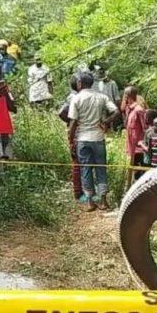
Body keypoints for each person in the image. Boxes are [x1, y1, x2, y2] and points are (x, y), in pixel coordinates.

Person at [67, 72, 119, 211]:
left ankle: (90, 201)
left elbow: (73, 123)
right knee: (101, 168)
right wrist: (106, 121)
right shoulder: (102, 96)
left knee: (86, 169)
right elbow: (116, 111)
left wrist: (71, 140)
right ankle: (103, 201)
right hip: (98, 138)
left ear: (79, 83)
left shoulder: (76, 98)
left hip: (83, 139)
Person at [58, 74, 83, 202]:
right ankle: (78, 192)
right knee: (77, 162)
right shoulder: (73, 97)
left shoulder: (75, 96)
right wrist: (72, 121)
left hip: (77, 132)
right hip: (75, 133)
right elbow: (61, 112)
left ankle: (81, 190)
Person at [121, 86, 147, 184]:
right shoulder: (129, 110)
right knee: (132, 171)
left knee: (139, 172)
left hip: (139, 148)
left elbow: (145, 128)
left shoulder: (139, 110)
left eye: (125, 95)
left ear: (127, 96)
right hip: (131, 147)